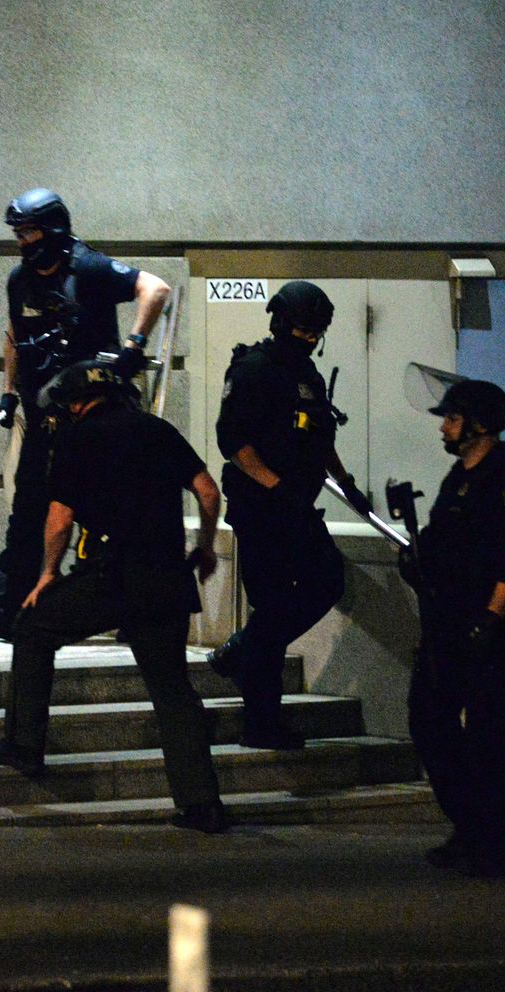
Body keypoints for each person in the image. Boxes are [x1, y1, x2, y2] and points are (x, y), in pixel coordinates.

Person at [0, 360, 231, 834]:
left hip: (113, 577)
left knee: (31, 627)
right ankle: (203, 805)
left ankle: (24, 746)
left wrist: (48, 574)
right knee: (172, 690)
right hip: (166, 579)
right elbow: (209, 492)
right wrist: (205, 547)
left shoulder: (77, 439)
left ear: (76, 403)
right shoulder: (157, 429)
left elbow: (59, 520)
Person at [0, 188, 173, 642]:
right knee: (27, 513)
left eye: (29, 232)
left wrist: (133, 346)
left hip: (95, 419)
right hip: (44, 415)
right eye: (18, 234)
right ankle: (8, 610)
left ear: (52, 230)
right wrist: (8, 393)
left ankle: (134, 612)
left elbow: (155, 289)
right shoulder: (20, 280)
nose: (22, 242)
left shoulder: (88, 268)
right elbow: (14, 335)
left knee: (113, 514)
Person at [208, 280, 369, 750]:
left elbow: (320, 439)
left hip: (296, 507)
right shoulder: (253, 370)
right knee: (275, 606)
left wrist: (347, 482)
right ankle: (261, 723)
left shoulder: (307, 375)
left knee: (325, 582)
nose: (310, 339)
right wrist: (274, 486)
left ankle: (242, 650)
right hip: (262, 509)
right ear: (280, 323)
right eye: (304, 330)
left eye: (316, 333)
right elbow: (234, 442)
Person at [401, 379, 505, 878]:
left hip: (491, 635)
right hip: (447, 629)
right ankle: (471, 826)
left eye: (452, 419)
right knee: (429, 723)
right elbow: (441, 542)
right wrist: (416, 558)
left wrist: (490, 621)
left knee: (494, 741)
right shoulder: (457, 477)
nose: (444, 427)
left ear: (478, 424)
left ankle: (501, 843)